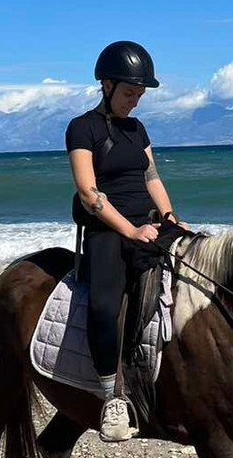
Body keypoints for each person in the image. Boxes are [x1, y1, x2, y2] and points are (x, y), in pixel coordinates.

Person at [65, 40, 186, 442]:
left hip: (148, 222)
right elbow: (88, 193)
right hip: (107, 229)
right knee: (103, 303)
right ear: (106, 86)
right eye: (130, 93)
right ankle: (111, 397)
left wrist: (169, 218)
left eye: (140, 95)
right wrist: (130, 231)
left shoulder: (137, 129)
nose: (135, 102)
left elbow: (152, 177)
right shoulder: (83, 128)